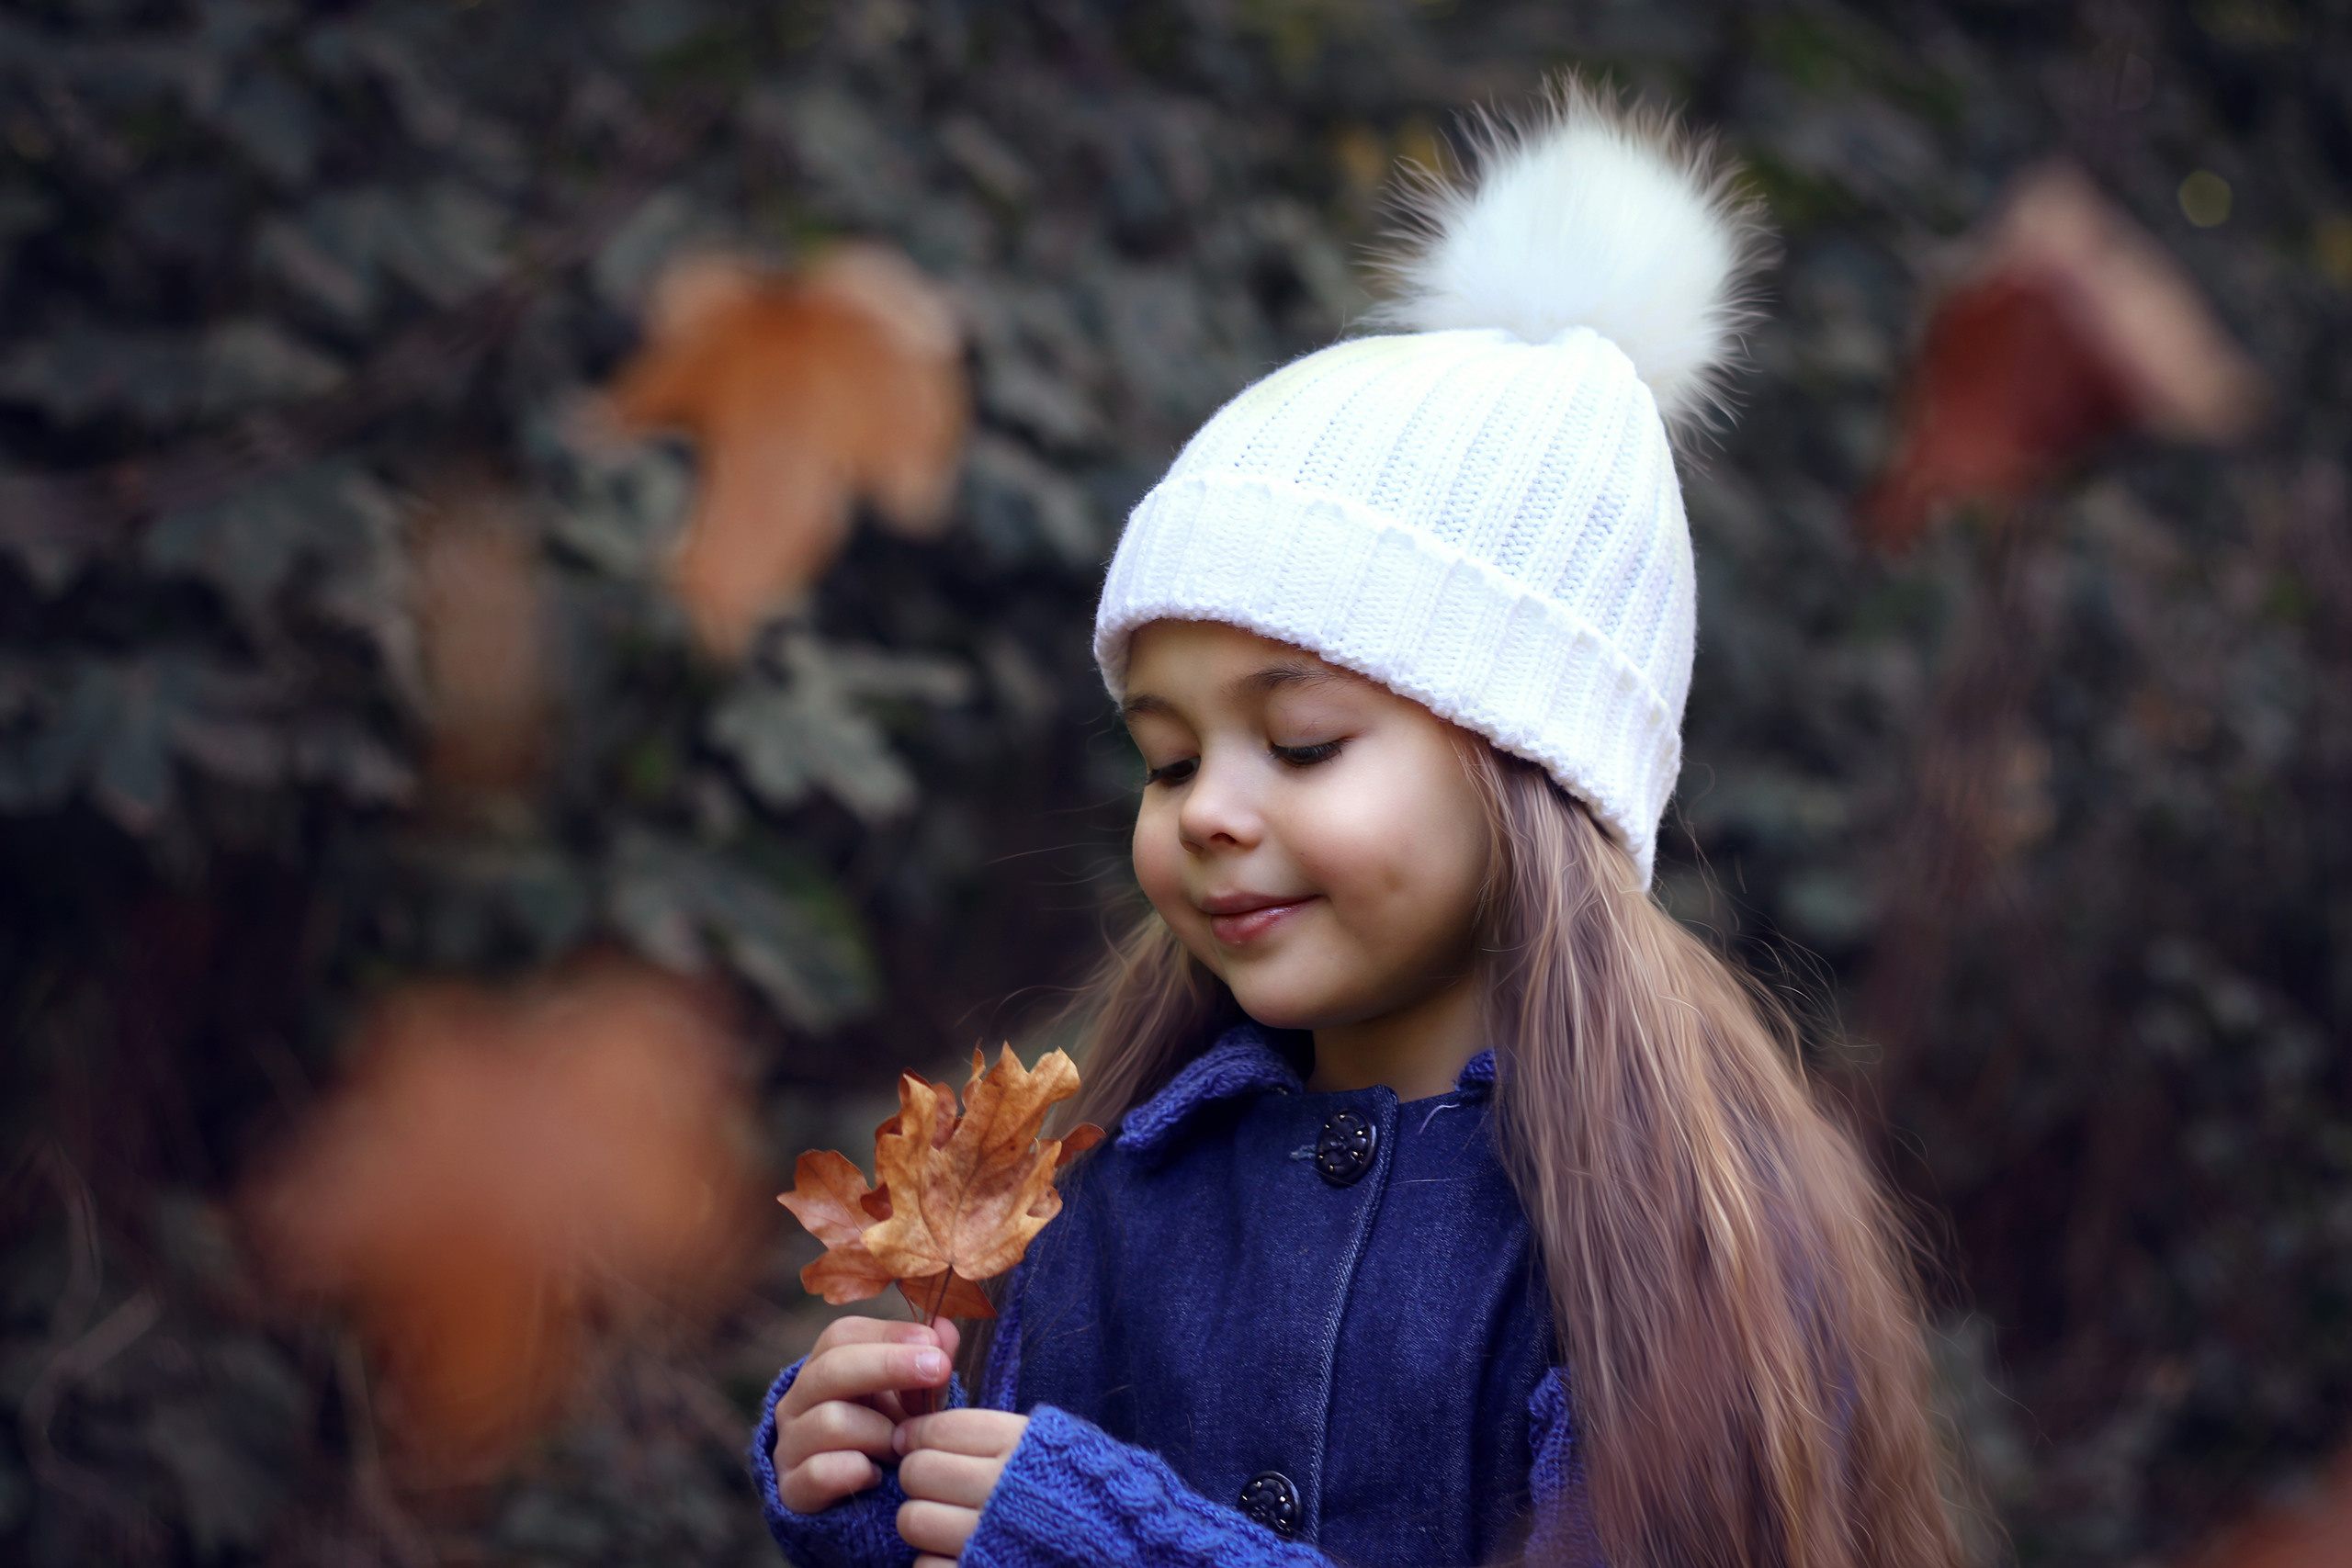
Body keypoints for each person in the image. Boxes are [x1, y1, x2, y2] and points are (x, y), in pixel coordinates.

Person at [750, 81, 1963, 1568]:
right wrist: (872, 1502)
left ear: (1532, 774)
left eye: (1303, 742)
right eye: (1168, 760)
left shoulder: (1673, 1246)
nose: (1209, 812)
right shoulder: (1108, 1195)